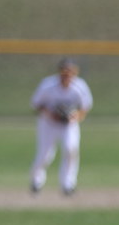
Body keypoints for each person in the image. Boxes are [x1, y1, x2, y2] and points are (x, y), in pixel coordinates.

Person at [29, 58, 93, 196]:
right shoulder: (48, 85)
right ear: (60, 72)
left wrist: (75, 116)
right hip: (48, 123)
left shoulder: (80, 86)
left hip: (68, 124)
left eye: (71, 72)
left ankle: (68, 184)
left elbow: (85, 107)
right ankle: (36, 181)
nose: (67, 75)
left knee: (71, 150)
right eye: (65, 71)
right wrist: (51, 114)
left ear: (75, 73)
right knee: (45, 155)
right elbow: (36, 104)